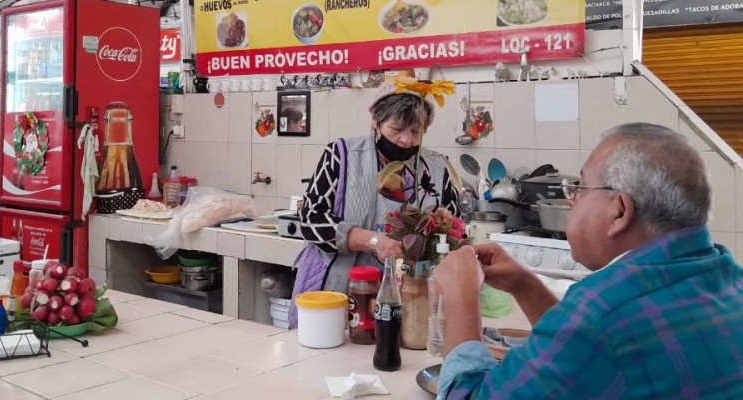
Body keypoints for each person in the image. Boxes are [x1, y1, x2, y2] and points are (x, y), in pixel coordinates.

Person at [434, 122, 743, 399]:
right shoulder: (729, 280)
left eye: (580, 188)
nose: (571, 199)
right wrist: (524, 285)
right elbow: (583, 357)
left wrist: (461, 301)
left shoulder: (603, 313)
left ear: (620, 212)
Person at [288, 78, 462, 328]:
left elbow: (452, 230)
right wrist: (374, 241)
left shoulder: (436, 168)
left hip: (408, 298)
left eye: (416, 131)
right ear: (375, 119)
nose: (406, 140)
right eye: (397, 128)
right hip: (339, 292)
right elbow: (311, 220)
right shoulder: (342, 155)